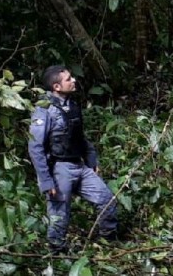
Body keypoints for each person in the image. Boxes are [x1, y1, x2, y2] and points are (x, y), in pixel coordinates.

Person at [28, 65, 117, 253]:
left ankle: (109, 243)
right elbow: (35, 146)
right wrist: (46, 180)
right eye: (68, 79)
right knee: (59, 214)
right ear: (56, 87)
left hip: (79, 165)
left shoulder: (72, 105)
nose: (74, 80)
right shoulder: (44, 110)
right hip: (59, 169)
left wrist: (91, 159)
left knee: (106, 199)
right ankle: (57, 253)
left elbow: (78, 136)